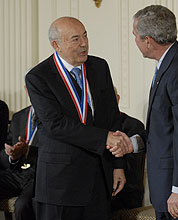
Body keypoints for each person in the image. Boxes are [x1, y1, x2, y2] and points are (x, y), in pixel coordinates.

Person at [109, 5, 178, 220]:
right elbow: (164, 129)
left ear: (149, 40)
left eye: (135, 35)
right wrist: (131, 144)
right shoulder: (169, 66)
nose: (134, 40)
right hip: (169, 191)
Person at [25, 16, 132, 220]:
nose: (84, 44)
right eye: (75, 39)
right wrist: (104, 138)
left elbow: (112, 118)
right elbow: (55, 125)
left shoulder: (99, 67)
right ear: (56, 45)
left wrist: (118, 165)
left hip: (99, 180)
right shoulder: (38, 77)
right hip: (61, 185)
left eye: (85, 36)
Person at [0, 105, 38, 220]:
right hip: (16, 173)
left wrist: (28, 151)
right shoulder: (18, 116)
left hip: (38, 175)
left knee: (22, 206)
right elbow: (4, 152)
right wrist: (12, 156)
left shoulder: (53, 116)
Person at [111, 87, 146, 210]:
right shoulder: (93, 126)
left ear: (118, 98)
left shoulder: (134, 125)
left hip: (126, 193)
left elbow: (132, 166)